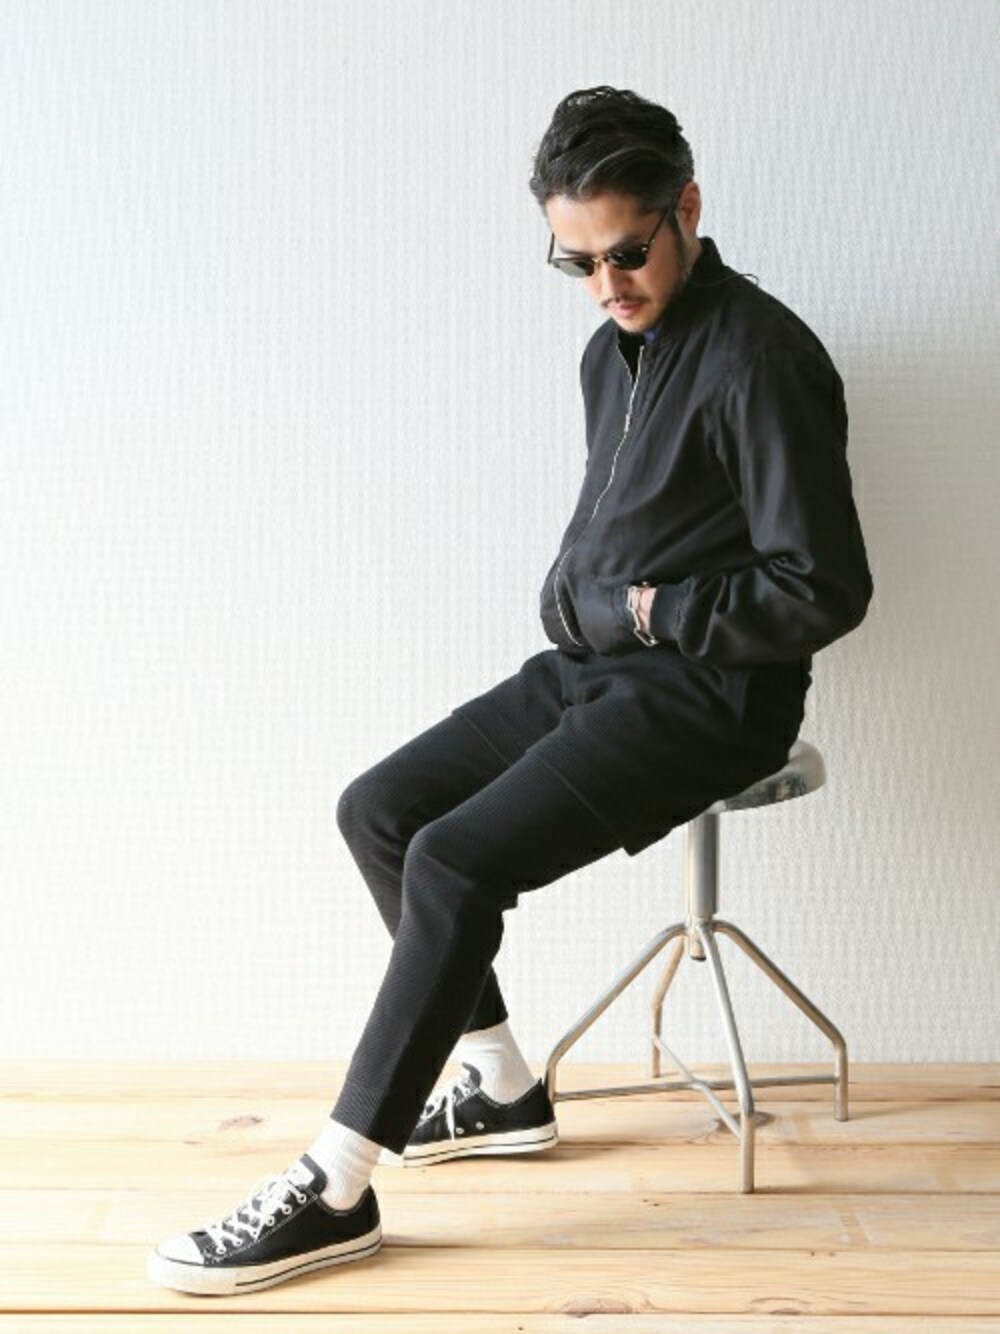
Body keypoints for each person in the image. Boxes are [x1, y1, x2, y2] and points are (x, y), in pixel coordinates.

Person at [147, 85, 874, 1296]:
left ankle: (335, 1181)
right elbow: (619, 527)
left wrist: (654, 610)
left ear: (687, 208)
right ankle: (500, 1085)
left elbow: (825, 586)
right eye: (576, 261)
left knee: (454, 859)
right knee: (381, 809)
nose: (605, 284)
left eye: (626, 252)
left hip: (712, 698)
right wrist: (586, 601)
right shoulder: (612, 350)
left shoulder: (761, 358)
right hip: (593, 669)